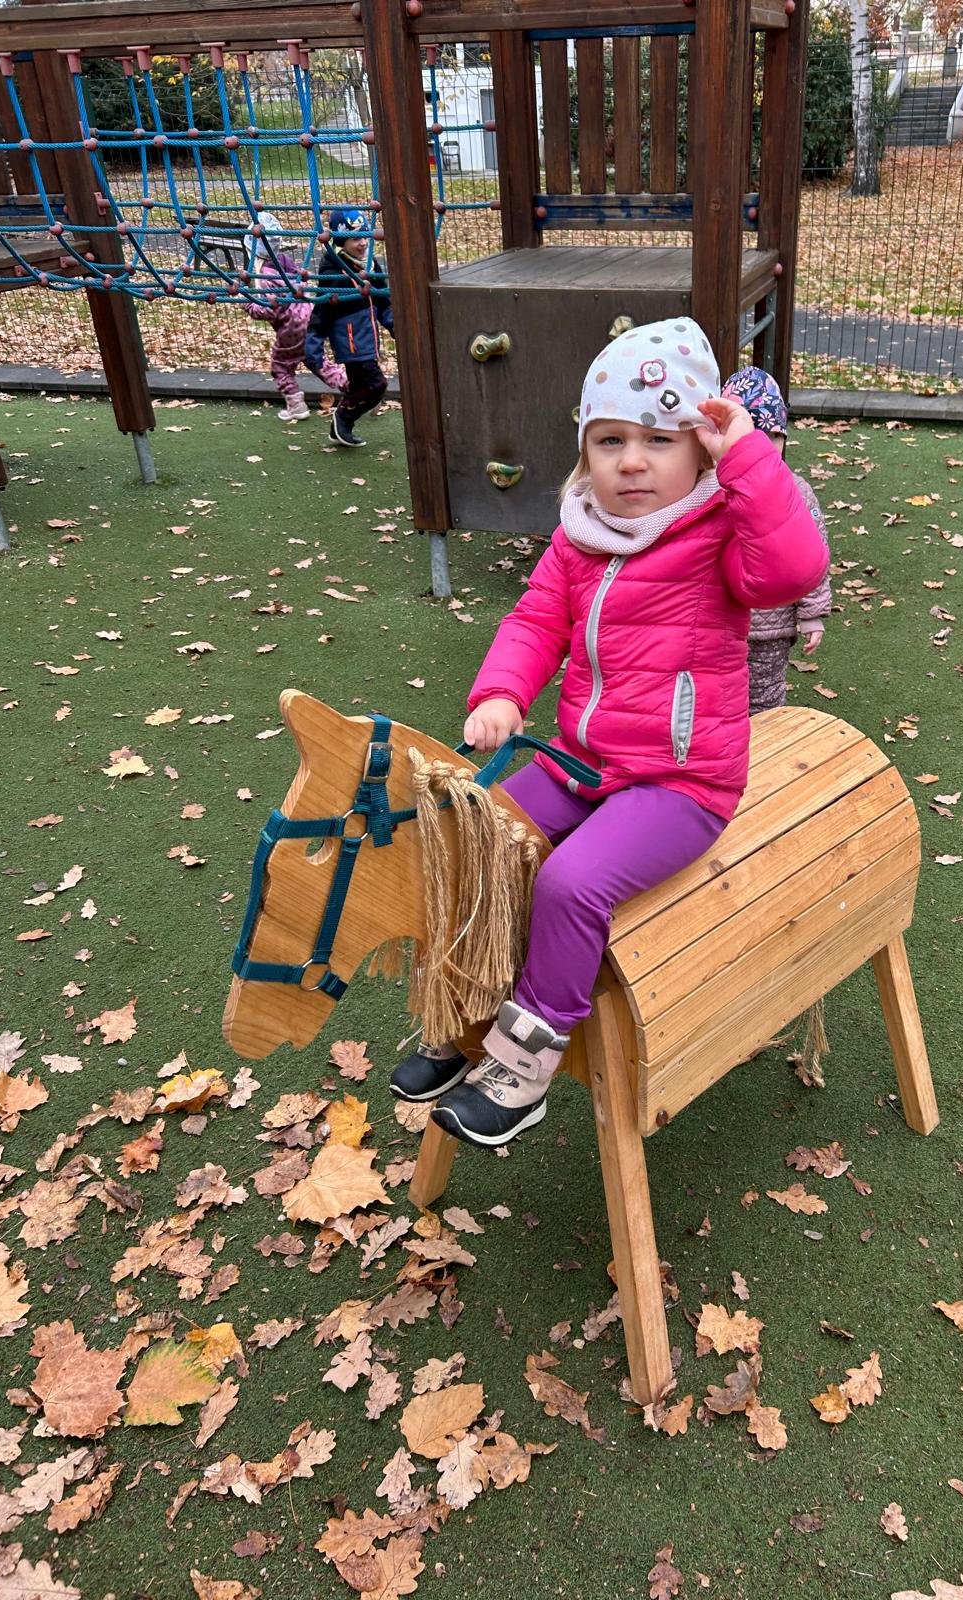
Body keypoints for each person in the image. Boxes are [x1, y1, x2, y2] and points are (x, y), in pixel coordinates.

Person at [389, 318, 830, 1148]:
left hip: (681, 784)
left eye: (660, 440)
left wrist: (747, 458)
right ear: (584, 451)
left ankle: (524, 1067)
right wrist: (503, 693)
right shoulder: (580, 537)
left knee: (571, 883)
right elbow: (534, 621)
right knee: (481, 838)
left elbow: (795, 568)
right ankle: (468, 1009)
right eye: (610, 440)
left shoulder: (719, 535)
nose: (632, 461)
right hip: (585, 762)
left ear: (700, 451)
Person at [722, 367, 833, 712]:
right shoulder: (710, 488)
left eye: (773, 435)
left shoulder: (795, 491)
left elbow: (811, 556)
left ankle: (765, 744)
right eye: (752, 435)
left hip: (772, 628)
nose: (765, 446)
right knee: (716, 698)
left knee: (765, 702)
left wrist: (812, 613)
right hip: (719, 622)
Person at [304, 206, 394, 448]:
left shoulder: (369, 263)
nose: (363, 243)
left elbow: (383, 301)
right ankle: (343, 416)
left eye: (364, 236)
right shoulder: (333, 271)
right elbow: (321, 312)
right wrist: (313, 345)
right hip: (351, 343)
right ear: (341, 242)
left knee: (360, 386)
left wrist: (394, 324)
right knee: (376, 385)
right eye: (355, 239)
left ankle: (340, 429)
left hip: (367, 338)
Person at [246, 212, 345, 422]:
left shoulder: (264, 276)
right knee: (317, 361)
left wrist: (249, 305)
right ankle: (357, 389)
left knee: (280, 366)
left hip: (291, 326)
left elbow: (269, 309)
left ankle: (296, 405)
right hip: (310, 316)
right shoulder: (285, 262)